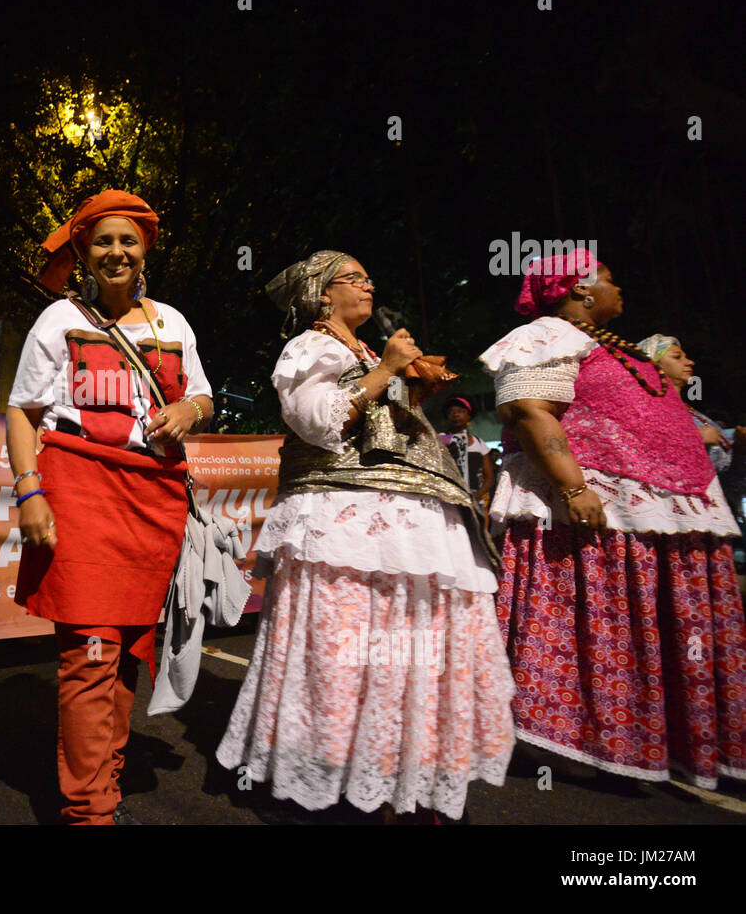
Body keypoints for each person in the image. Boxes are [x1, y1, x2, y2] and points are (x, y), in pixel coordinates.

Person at [216, 250, 514, 821]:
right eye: (354, 278)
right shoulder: (310, 347)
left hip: (402, 515)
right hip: (341, 519)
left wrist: (403, 378)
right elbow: (320, 422)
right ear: (323, 295)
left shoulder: (364, 350)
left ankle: (394, 764)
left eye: (368, 276)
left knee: (400, 643)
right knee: (344, 644)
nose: (368, 285)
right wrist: (385, 372)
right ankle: (335, 768)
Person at [481, 251, 744, 789]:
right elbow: (530, 410)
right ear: (579, 289)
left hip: (667, 511)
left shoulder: (610, 347)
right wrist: (573, 486)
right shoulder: (546, 335)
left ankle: (663, 741)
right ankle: (575, 740)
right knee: (597, 615)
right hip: (597, 510)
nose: (619, 289)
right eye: (609, 279)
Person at [6, 190, 214, 824]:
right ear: (83, 253)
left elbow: (204, 399)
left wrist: (188, 410)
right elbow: (22, 411)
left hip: (155, 495)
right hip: (83, 490)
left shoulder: (172, 322)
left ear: (145, 248)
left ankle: (105, 785)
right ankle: (86, 811)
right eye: (102, 242)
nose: (116, 251)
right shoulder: (57, 320)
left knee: (124, 651)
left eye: (128, 240)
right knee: (89, 652)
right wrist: (29, 490)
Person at [637, 334, 745, 528]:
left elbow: (723, 472)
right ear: (654, 365)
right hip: (673, 512)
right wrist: (696, 437)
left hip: (709, 505)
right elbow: (643, 451)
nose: (690, 362)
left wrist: (740, 448)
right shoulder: (647, 407)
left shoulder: (694, 413)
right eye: (677, 357)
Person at [438, 394, 494, 509]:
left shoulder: (479, 443)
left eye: (461, 411)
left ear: (469, 416)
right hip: (449, 499)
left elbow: (489, 476)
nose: (456, 414)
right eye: (451, 412)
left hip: (475, 500)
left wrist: (478, 495)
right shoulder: (440, 439)